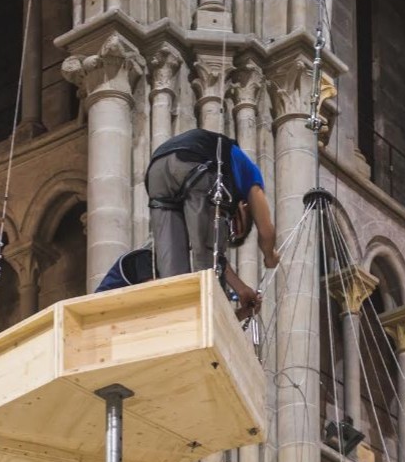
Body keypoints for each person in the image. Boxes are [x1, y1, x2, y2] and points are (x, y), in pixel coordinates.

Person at [94, 127, 278, 321]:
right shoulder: (248, 172)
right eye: (233, 227)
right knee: (207, 274)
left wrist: (240, 289)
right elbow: (266, 232)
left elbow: (216, 256)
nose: (229, 232)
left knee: (176, 283)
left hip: (157, 168)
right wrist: (269, 256)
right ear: (244, 206)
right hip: (196, 164)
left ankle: (192, 320)